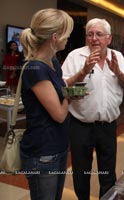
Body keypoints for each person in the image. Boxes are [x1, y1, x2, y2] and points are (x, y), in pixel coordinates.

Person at [62, 18, 124, 198]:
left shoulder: (117, 56)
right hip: (81, 126)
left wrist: (118, 73)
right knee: (81, 173)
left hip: (108, 126)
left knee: (107, 173)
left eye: (99, 34)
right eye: (90, 34)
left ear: (109, 39)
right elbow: (62, 89)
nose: (94, 38)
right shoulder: (75, 56)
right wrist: (84, 71)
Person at [19, 8, 74, 200]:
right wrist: (71, 96)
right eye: (66, 35)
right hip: (42, 152)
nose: (68, 39)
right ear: (55, 37)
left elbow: (59, 90)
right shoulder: (35, 68)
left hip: (57, 147)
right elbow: (59, 114)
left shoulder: (53, 63)